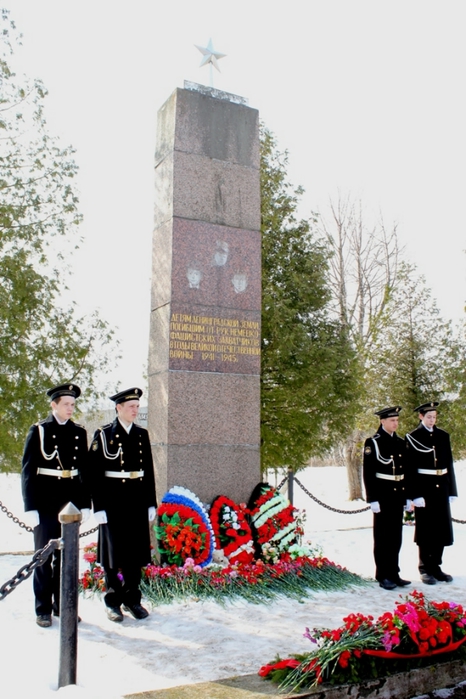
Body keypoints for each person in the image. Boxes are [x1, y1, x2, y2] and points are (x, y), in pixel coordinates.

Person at [21, 383, 90, 627]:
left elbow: (84, 472)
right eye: (66, 404)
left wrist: (85, 504)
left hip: (69, 502)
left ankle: (63, 605)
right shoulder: (39, 430)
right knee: (43, 557)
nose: (71, 408)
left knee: (66, 557)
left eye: (73, 404)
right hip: (45, 502)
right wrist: (30, 507)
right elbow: (28, 470)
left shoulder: (79, 432)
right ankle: (43, 609)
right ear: (54, 405)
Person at [88, 387, 157, 622]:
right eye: (131, 407)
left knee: (135, 553)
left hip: (137, 498)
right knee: (112, 555)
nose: (135, 410)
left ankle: (132, 599)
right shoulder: (104, 434)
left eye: (137, 406)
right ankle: (113, 601)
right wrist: (98, 507)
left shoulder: (141, 434)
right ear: (118, 408)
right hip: (112, 500)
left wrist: (150, 502)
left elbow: (148, 470)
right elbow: (94, 473)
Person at [405, 401, 458, 585]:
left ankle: (436, 566)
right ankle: (425, 567)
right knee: (426, 529)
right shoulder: (413, 437)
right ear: (421, 417)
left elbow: (449, 463)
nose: (432, 420)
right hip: (424, 488)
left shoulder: (443, 435)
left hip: (441, 486)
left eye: (434, 417)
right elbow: (410, 469)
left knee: (441, 527)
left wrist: (452, 490)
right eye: (428, 417)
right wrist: (414, 494)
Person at [362, 406, 410, 590]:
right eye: (392, 420)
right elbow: (368, 472)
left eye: (397, 420)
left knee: (396, 536)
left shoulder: (400, 442)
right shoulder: (373, 442)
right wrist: (372, 498)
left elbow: (405, 471)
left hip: (398, 494)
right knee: (382, 537)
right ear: (382, 421)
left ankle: (394, 573)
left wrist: (407, 496)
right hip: (382, 495)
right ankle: (383, 575)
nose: (395, 423)